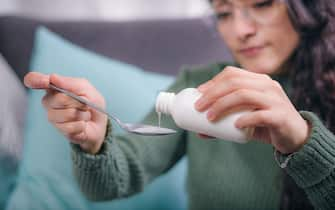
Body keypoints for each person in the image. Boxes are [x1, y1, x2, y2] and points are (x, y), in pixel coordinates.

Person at [24, 0, 335, 209]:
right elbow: (111, 183)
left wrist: (305, 141)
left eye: (262, 3)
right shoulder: (197, 88)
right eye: (225, 13)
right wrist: (92, 143)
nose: (242, 30)